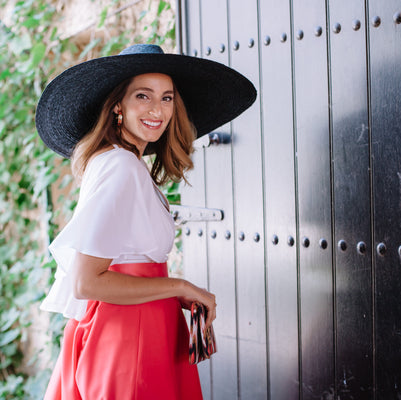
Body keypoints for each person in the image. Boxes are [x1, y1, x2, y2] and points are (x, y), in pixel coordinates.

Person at [35, 44, 256, 400]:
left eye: (167, 98)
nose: (158, 109)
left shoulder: (121, 163)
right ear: (117, 105)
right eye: (143, 95)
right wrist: (179, 287)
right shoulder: (120, 167)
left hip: (142, 331)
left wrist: (173, 293)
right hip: (129, 338)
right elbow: (86, 282)